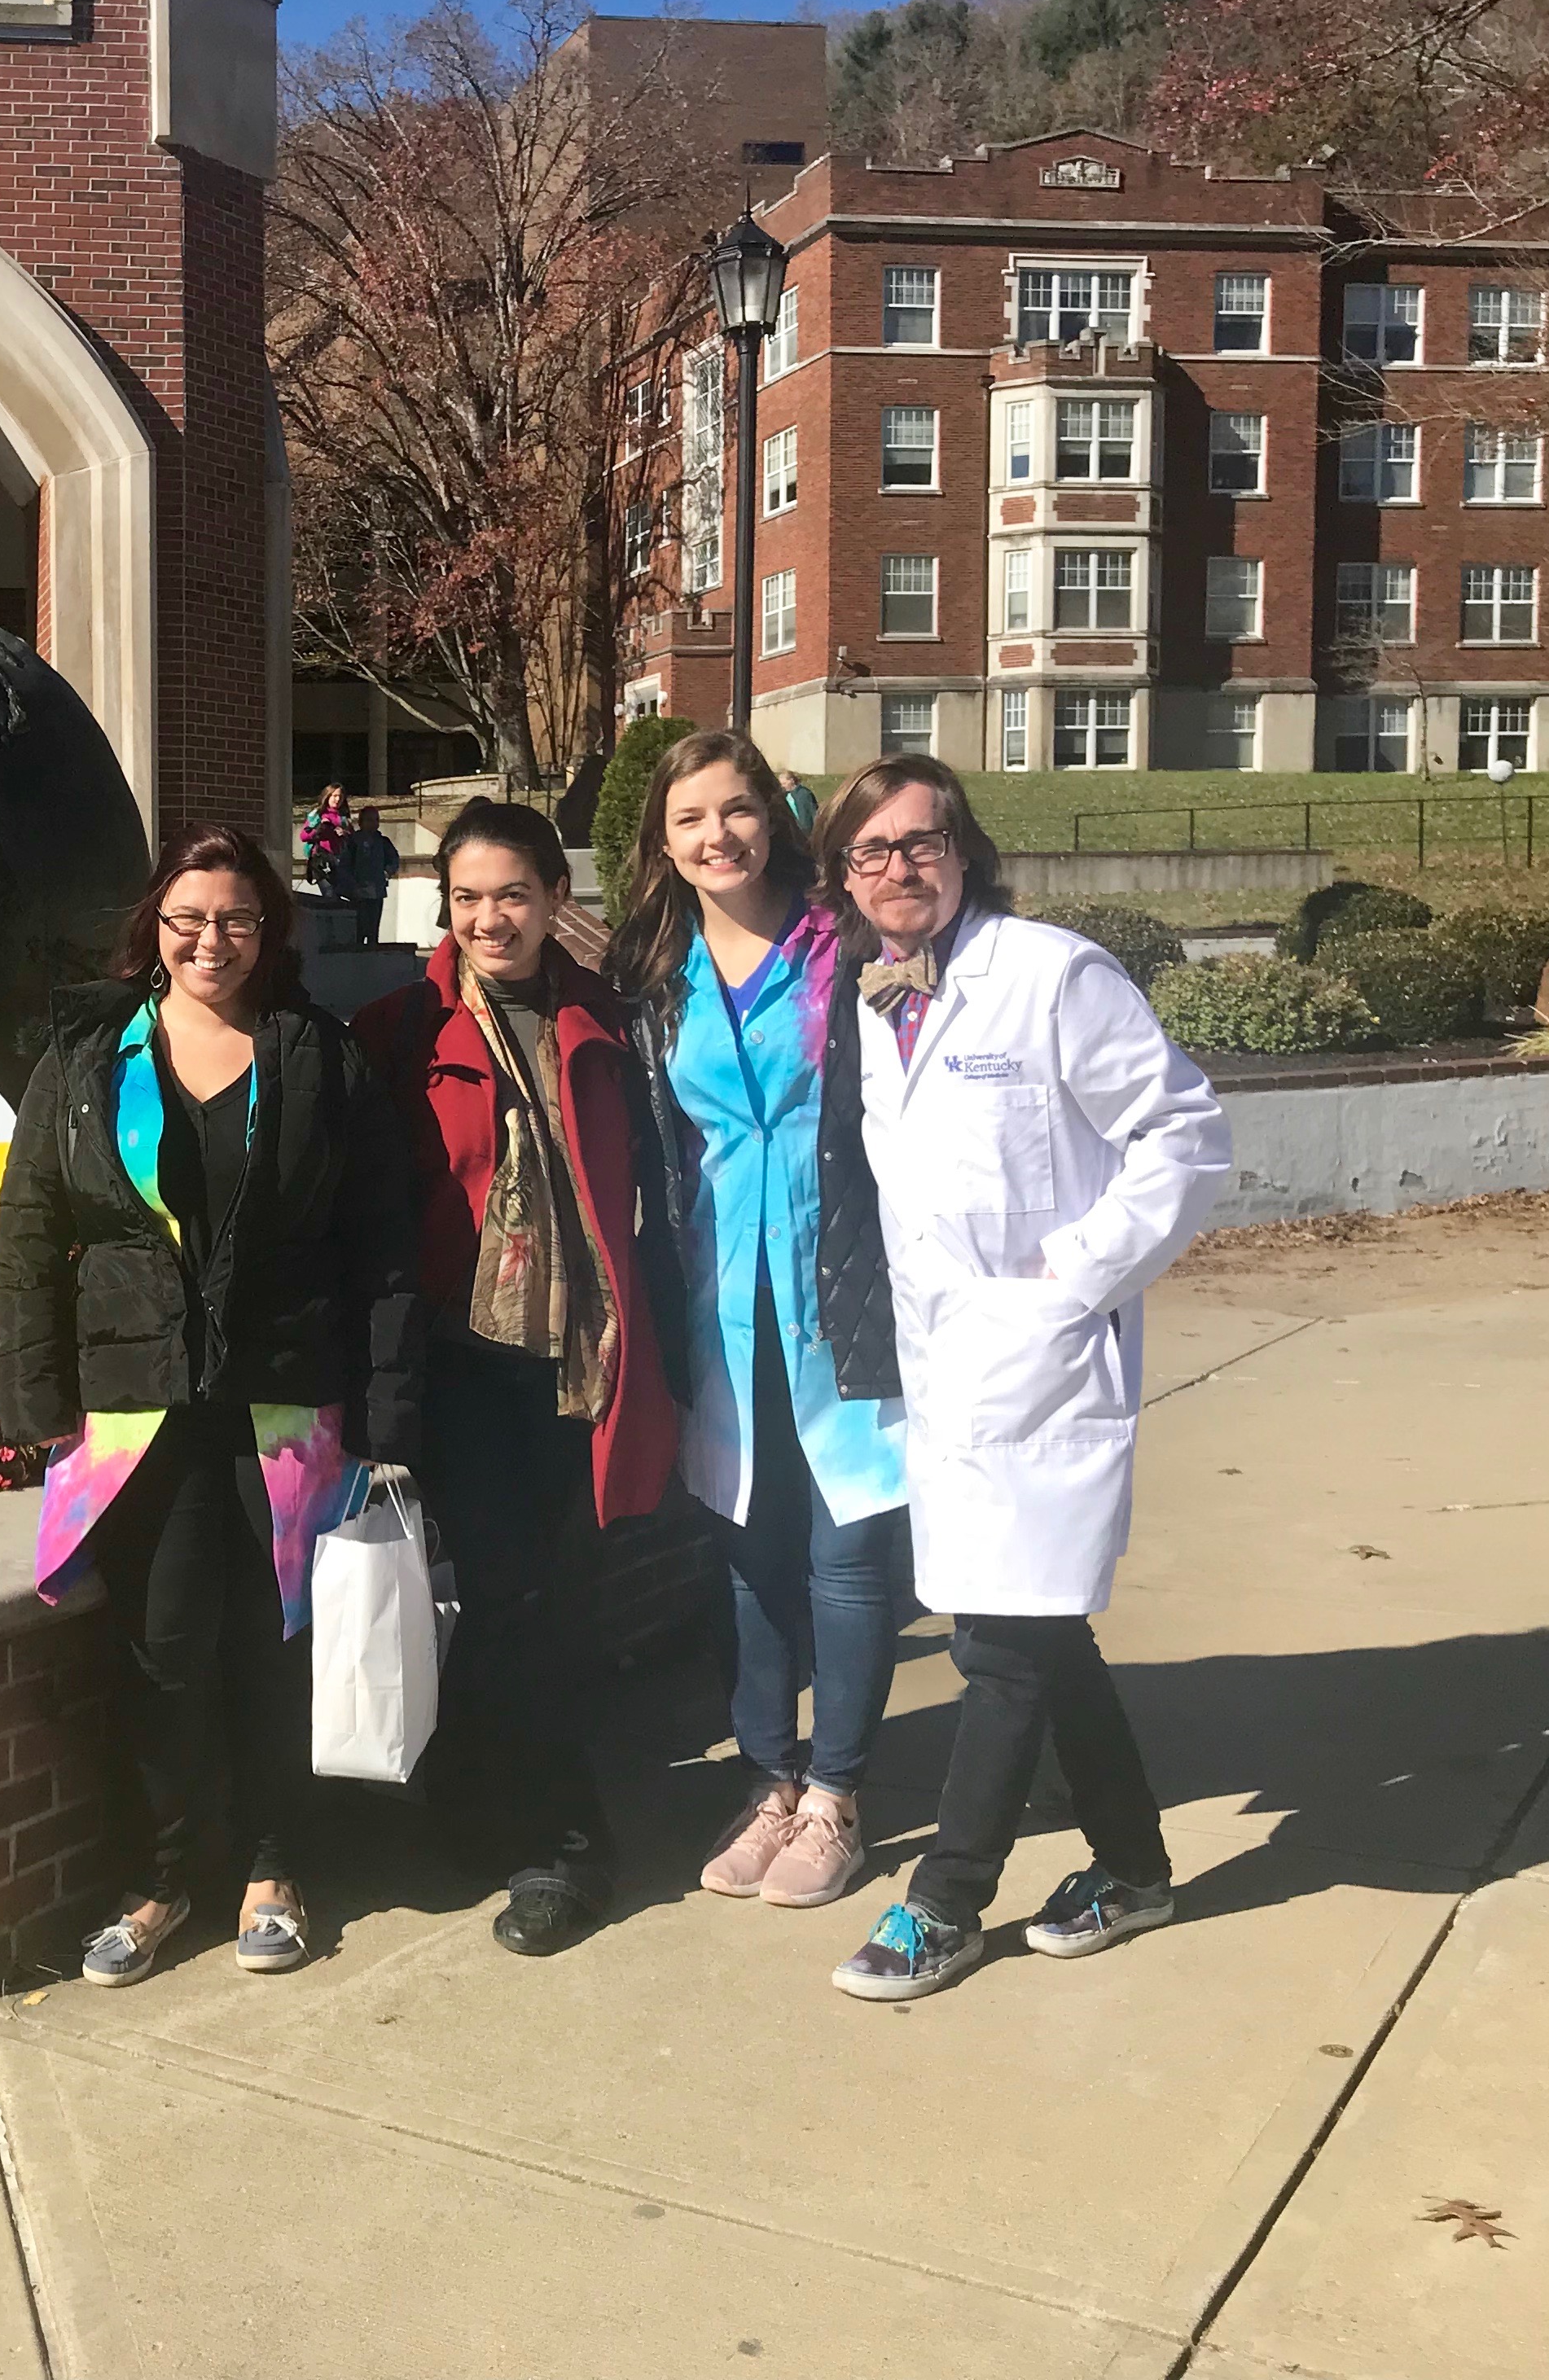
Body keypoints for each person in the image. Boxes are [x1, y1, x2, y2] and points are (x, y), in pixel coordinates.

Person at [814, 756, 1231, 2002]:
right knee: (1045, 1630)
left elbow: (1185, 1133)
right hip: (949, 1370)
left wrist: (1071, 1280)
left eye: (921, 843)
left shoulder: (1050, 974)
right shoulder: (874, 1005)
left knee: (1000, 1640)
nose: (898, 869)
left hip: (1046, 1360)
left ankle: (944, 1902)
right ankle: (1139, 1870)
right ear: (846, 876)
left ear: (965, 850)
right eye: (870, 852)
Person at [0, 820, 419, 1988]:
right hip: (138, 1407)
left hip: (285, 1401)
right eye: (188, 920)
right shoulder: (90, 1060)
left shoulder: (317, 1056)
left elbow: (381, 1243)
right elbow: (30, 1227)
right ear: (154, 930)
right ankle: (163, 1876)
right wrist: (34, 1391)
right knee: (164, 1649)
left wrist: (387, 1409)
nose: (211, 941)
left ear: (268, 930)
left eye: (235, 919)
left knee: (276, 1643)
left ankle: (276, 1867)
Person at [353, 800, 674, 1958]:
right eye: (469, 897)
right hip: (463, 1364)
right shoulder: (400, 1029)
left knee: (548, 1598)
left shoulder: (607, 1019)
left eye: (515, 895)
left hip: (585, 1363)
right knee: (508, 1598)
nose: (492, 918)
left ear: (553, 899)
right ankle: (555, 1836)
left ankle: (505, 1809)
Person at [608, 735, 909, 1913]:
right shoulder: (658, 969)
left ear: (770, 818)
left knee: (847, 1549)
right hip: (721, 1293)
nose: (715, 837)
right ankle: (768, 1780)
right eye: (690, 820)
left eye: (735, 811)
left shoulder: (846, 942)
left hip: (843, 1282)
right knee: (748, 1548)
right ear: (663, 843)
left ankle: (837, 1792)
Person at [338, 806, 402, 940]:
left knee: (373, 930)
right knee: (358, 930)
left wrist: (387, 872)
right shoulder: (353, 841)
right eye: (369, 820)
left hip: (376, 892)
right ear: (361, 822)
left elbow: (394, 859)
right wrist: (352, 884)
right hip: (358, 892)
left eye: (375, 820)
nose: (373, 823)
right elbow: (345, 864)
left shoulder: (383, 842)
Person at [299, 782, 354, 896]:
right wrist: (320, 830)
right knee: (329, 894)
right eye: (334, 796)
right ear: (327, 796)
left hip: (341, 863)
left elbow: (353, 840)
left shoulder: (344, 818)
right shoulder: (318, 814)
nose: (338, 799)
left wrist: (345, 834)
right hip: (322, 862)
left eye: (340, 796)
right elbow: (304, 836)